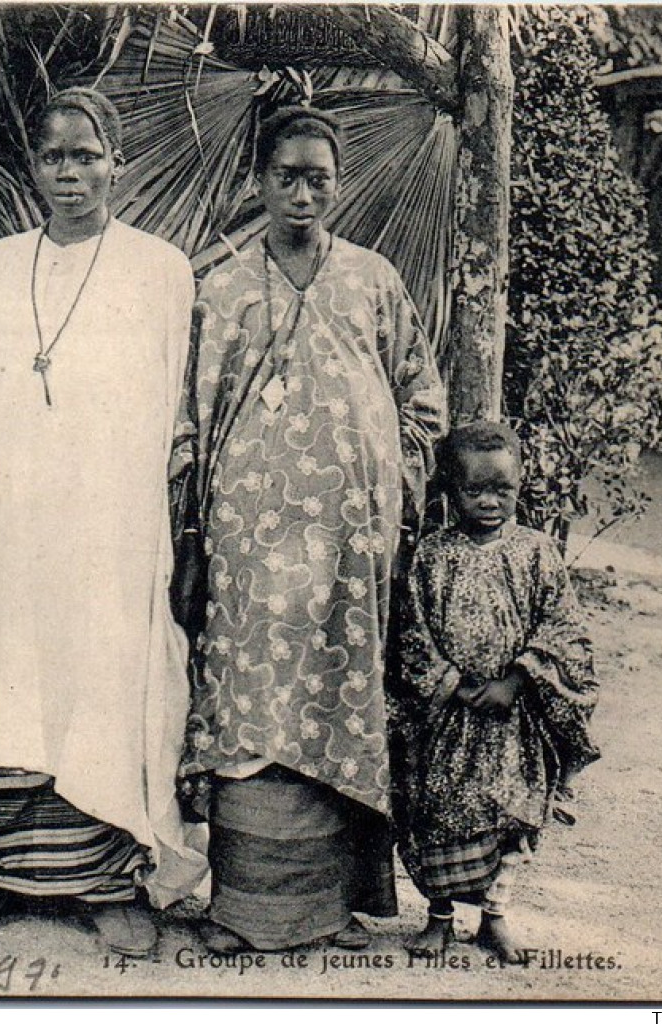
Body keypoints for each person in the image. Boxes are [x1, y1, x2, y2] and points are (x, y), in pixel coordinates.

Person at [0, 86, 207, 958]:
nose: (70, 171)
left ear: (115, 162)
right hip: (8, 524)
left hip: (105, 529)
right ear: (33, 166)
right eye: (53, 155)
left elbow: (170, 412)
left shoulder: (159, 268)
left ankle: (107, 882)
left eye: (86, 154)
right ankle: (2, 877)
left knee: (102, 683)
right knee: (0, 680)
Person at [175, 105, 447, 954]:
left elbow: (421, 398)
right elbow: (187, 419)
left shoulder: (372, 280)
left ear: (337, 184)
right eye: (285, 176)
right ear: (257, 181)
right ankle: (242, 910)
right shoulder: (216, 290)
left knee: (335, 703)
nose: (301, 193)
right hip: (248, 549)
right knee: (250, 706)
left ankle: (326, 910)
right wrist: (191, 532)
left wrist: (384, 486)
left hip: (347, 547)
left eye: (317, 178)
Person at [391, 421, 600, 963]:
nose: (489, 501)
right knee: (436, 811)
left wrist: (517, 678)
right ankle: (439, 916)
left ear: (519, 485)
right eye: (475, 490)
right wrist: (453, 684)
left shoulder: (537, 553)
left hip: (513, 717)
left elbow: (564, 628)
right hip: (448, 715)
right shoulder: (432, 556)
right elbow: (411, 632)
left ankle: (495, 915)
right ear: (449, 491)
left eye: (502, 490)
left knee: (510, 814)